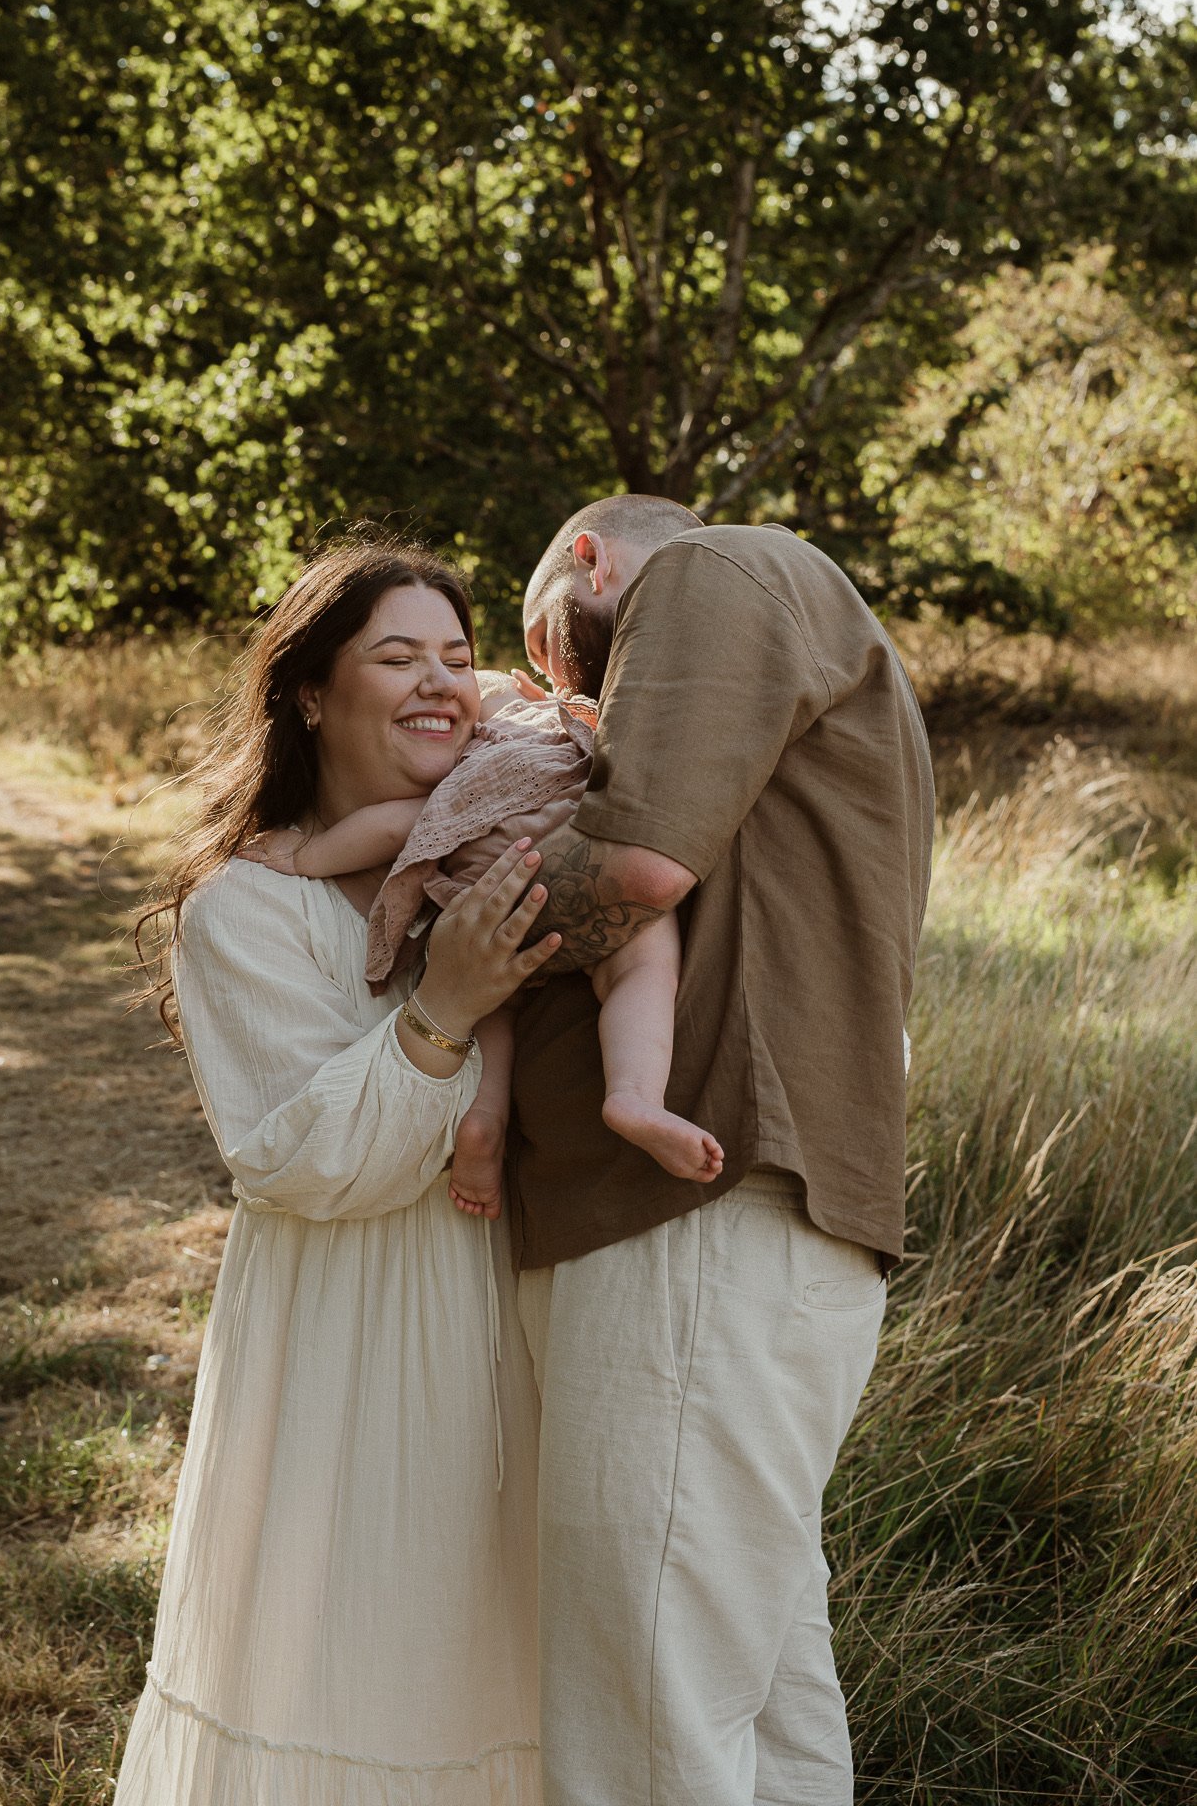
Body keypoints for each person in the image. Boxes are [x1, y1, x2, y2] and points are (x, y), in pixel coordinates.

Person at [509, 496, 936, 1806]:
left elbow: (635, 863)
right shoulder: (798, 616)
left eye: (548, 655)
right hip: (736, 1221)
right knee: (746, 1695)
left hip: (693, 1217)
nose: (557, 687)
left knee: (643, 1716)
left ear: (584, 557)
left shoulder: (708, 568)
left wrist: (447, 932)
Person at [115, 536, 552, 1806]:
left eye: (458, 656)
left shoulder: (507, 841)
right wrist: (444, 1011)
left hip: (516, 1308)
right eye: (396, 653)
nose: (439, 681)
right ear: (310, 689)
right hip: (352, 1329)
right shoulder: (245, 905)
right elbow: (304, 1161)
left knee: (504, 1649)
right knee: (361, 1644)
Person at [259, 670, 723, 1219]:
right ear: (531, 686)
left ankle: (485, 1119)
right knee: (641, 972)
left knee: (491, 1007)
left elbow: (398, 826)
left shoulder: (462, 759)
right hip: (578, 851)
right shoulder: (559, 721)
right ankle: (634, 1095)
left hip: (488, 883)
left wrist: (306, 855)